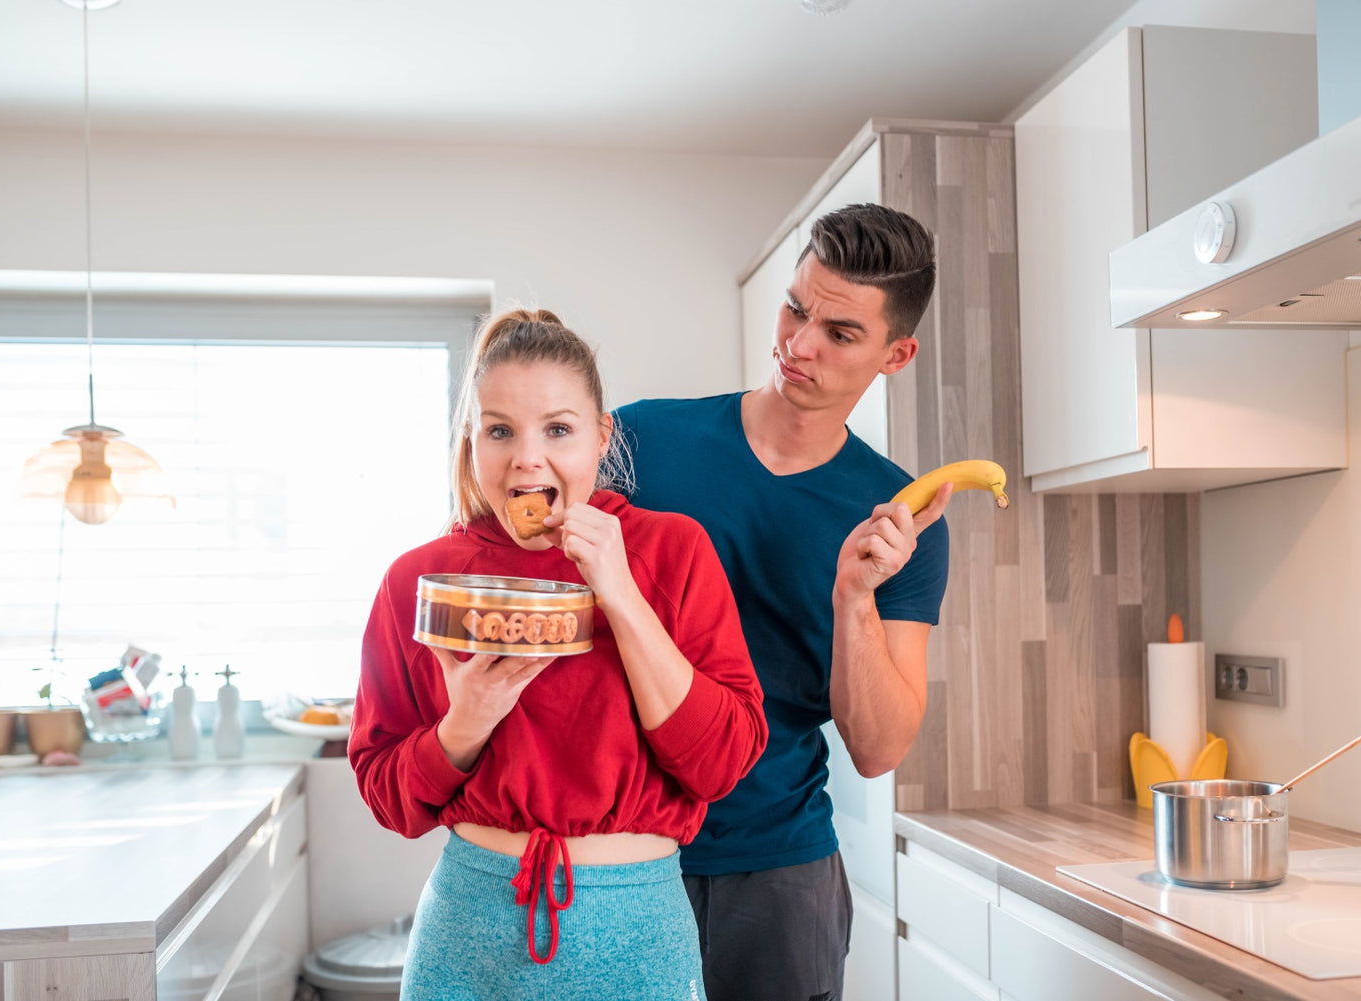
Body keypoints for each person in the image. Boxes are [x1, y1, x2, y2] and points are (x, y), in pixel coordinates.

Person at [350, 308, 768, 1001]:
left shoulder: (672, 551)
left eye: (559, 429)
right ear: (471, 439)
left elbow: (721, 763)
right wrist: (468, 721)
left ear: (601, 436)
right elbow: (389, 795)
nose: (527, 458)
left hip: (639, 936)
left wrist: (620, 592)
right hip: (468, 934)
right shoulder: (420, 581)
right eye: (500, 430)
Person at [613, 203, 952, 1001]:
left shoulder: (900, 519)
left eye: (840, 333)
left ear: (896, 354)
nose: (799, 344)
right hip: (616, 856)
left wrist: (854, 597)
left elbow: (878, 746)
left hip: (779, 872)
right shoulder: (635, 445)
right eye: (797, 308)